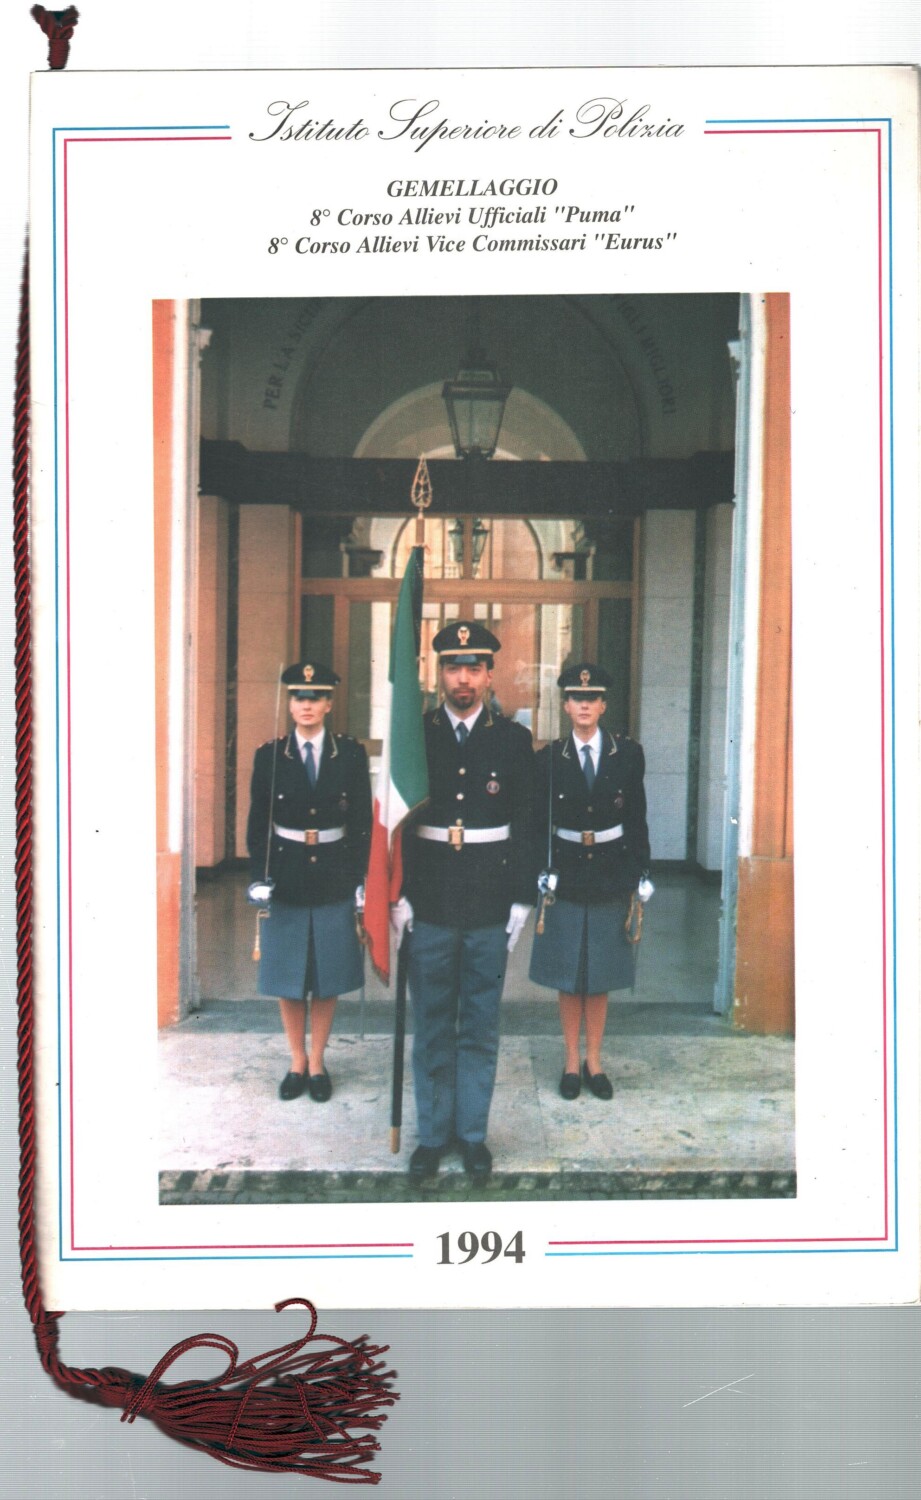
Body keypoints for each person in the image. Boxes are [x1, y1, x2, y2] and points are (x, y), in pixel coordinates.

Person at [390, 621, 536, 1182]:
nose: (463, 679)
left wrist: (521, 897)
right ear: (439, 673)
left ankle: (472, 1135)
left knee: (479, 1022)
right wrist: (398, 894)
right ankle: (432, 1136)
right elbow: (398, 821)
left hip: (489, 900)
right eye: (453, 667)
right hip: (428, 899)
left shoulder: (512, 739)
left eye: (474, 668)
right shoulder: (416, 737)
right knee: (431, 1023)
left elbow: (526, 821)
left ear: (489, 675)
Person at [246, 661, 372, 1102]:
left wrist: (361, 879)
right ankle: (295, 1060)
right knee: (289, 974)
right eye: (299, 697)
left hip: (335, 874)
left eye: (315, 697)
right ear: (289, 703)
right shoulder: (270, 755)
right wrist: (259, 877)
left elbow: (361, 822)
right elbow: (258, 822)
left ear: (329, 704)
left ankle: (318, 1061)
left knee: (326, 973)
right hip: (287, 875)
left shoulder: (349, 754)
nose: (306, 705)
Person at [528, 663, 652, 1101]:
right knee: (569, 974)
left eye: (592, 698)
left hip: (610, 872)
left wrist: (642, 871)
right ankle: (570, 1060)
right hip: (565, 874)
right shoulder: (549, 759)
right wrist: (539, 872)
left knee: (599, 975)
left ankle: (594, 1061)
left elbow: (636, 816)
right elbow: (538, 823)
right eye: (576, 698)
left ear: (603, 705)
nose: (584, 705)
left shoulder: (627, 754)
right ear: (566, 705)